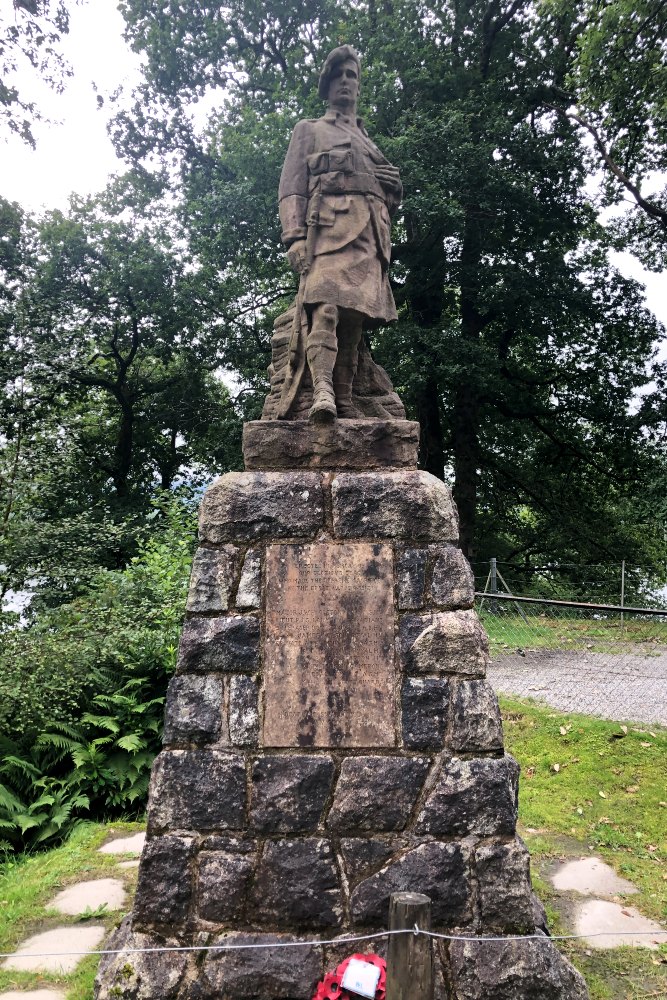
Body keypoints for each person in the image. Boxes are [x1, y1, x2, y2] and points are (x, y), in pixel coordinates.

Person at [278, 45, 402, 422]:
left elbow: (384, 194)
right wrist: (294, 237)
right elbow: (291, 189)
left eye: (352, 75)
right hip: (327, 234)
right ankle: (322, 394)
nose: (345, 82)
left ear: (358, 86)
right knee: (326, 310)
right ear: (327, 85)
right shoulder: (310, 130)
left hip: (368, 238)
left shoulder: (369, 142)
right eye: (338, 76)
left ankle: (345, 399)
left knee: (353, 322)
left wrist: (394, 187)